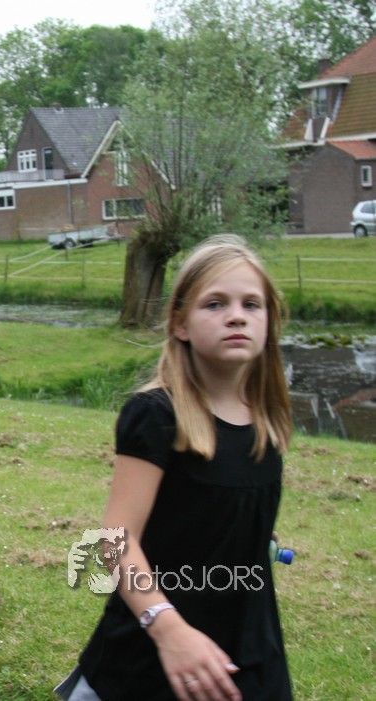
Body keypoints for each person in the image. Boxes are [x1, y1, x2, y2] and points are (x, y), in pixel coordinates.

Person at [58, 234, 294, 701]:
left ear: (269, 321)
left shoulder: (267, 420)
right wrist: (167, 628)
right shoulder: (156, 416)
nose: (236, 315)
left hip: (248, 648)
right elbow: (115, 541)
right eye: (215, 304)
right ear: (180, 324)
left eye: (251, 304)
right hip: (152, 655)